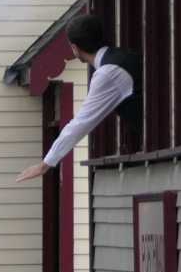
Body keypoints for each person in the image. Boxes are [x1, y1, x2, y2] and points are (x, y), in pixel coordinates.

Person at [16, 13, 141, 182]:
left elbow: (81, 123)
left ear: (74, 48)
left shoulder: (108, 73)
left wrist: (45, 164)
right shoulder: (126, 56)